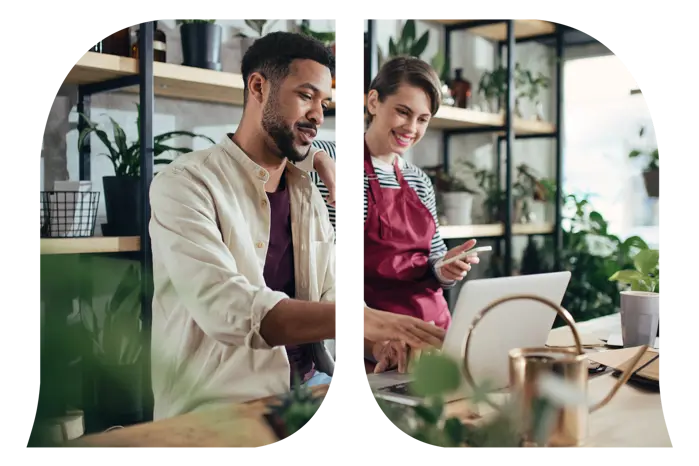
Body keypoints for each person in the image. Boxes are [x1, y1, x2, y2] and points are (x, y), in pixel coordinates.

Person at [148, 31, 339, 420]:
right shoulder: (185, 183)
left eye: (324, 102)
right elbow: (227, 307)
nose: (319, 115)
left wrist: (380, 340)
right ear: (258, 87)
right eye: (306, 96)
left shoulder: (307, 192)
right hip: (220, 415)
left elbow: (330, 293)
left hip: (311, 393)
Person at [361, 56, 481, 373]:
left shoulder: (419, 180)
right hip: (383, 342)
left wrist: (447, 267)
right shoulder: (335, 167)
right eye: (403, 112)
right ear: (373, 101)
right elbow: (327, 274)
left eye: (423, 119)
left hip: (437, 330)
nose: (411, 128)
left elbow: (433, 260)